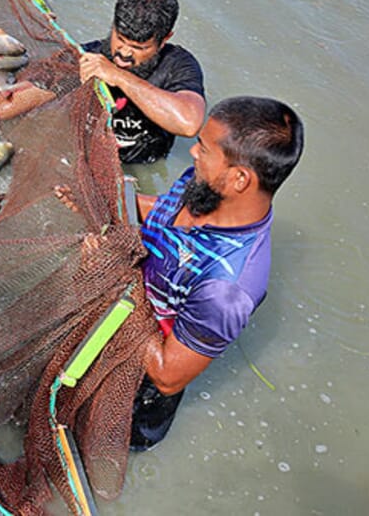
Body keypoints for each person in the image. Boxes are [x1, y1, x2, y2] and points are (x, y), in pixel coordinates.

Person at [130, 95, 304, 450]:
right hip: (117, 320)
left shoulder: (229, 288)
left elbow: (165, 376)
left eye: (204, 149)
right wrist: (103, 193)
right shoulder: (203, 184)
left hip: (137, 392)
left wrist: (117, 288)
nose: (193, 154)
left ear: (239, 179)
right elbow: (160, 213)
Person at [79, 0, 206, 163]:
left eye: (139, 47)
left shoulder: (178, 65)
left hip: (143, 166)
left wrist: (118, 76)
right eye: (120, 39)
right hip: (87, 158)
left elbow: (189, 123)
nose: (124, 54)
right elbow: (38, 88)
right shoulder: (89, 55)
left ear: (165, 39)